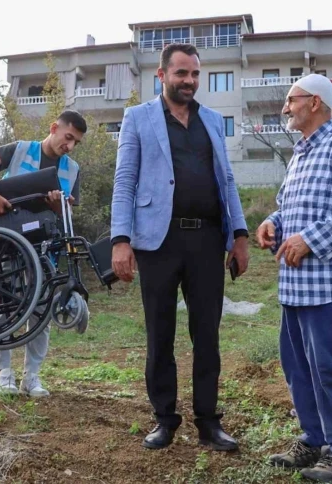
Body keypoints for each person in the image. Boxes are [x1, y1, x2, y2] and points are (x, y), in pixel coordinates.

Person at [110, 43, 249, 451]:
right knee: (160, 334)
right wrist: (121, 240)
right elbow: (125, 182)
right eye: (181, 74)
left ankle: (208, 422)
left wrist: (238, 236)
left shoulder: (212, 119)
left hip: (207, 239)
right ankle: (165, 419)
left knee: (207, 334)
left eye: (194, 74)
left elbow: (227, 182)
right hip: (158, 240)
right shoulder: (138, 118)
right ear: (162, 75)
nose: (189, 81)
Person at [255, 74, 332, 483]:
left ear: (315, 103)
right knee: (299, 369)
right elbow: (290, 207)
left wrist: (309, 239)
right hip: (297, 287)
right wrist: (273, 223)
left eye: (291, 100)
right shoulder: (300, 154)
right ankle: (314, 440)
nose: (285, 107)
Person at [0, 110, 87, 397]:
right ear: (54, 128)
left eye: (76, 142)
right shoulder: (21, 149)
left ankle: (31, 377)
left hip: (45, 244)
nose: (70, 146)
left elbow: (67, 213)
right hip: (8, 238)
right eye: (68, 137)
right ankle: (3, 375)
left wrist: (58, 205)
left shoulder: (72, 169)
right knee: (4, 304)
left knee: (41, 309)